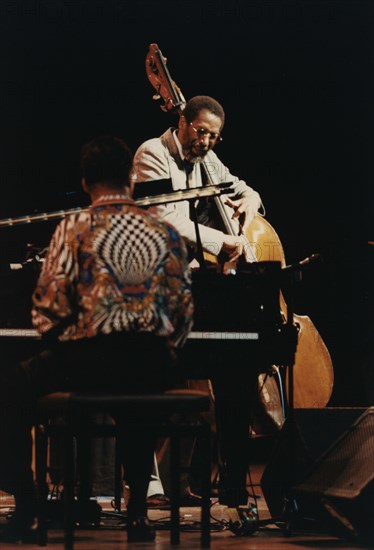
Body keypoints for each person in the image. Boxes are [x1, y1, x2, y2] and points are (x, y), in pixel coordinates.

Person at [0, 135, 193, 543]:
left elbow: (48, 306)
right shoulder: (163, 230)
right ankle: (138, 513)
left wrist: (62, 341)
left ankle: (28, 503)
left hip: (89, 362)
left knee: (8, 388)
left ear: (86, 183)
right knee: (138, 398)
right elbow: (183, 309)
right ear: (131, 179)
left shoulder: (74, 227)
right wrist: (161, 350)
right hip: (151, 362)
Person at [131, 95, 263, 534]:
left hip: (203, 289)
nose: (204, 141)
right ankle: (142, 491)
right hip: (160, 287)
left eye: (212, 136)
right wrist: (217, 240)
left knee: (233, 382)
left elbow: (242, 186)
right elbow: (160, 216)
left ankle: (231, 494)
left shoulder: (208, 158)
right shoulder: (153, 152)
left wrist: (250, 200)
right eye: (199, 131)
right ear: (182, 122)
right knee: (155, 384)